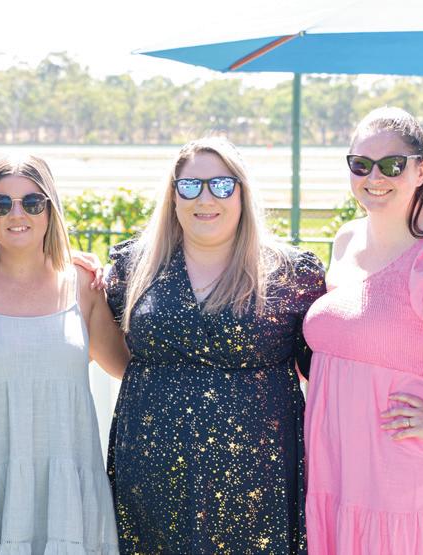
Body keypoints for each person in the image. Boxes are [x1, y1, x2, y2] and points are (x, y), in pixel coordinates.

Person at [105, 137, 325, 554]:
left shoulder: (292, 274)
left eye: (222, 185)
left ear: (242, 192)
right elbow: (114, 352)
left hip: (259, 487)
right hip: (153, 480)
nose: (205, 199)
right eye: (190, 186)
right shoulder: (131, 269)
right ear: (173, 195)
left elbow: (327, 376)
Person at [0, 155, 127, 554]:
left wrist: (121, 282)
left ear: (51, 210)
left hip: (67, 493)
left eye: (33, 202)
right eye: (1, 203)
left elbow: (132, 370)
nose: (16, 214)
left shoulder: (83, 286)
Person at [303, 107, 423, 554]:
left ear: (421, 170)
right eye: (361, 164)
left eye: (392, 165)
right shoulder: (345, 240)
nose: (375, 177)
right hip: (335, 475)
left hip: (400, 486)